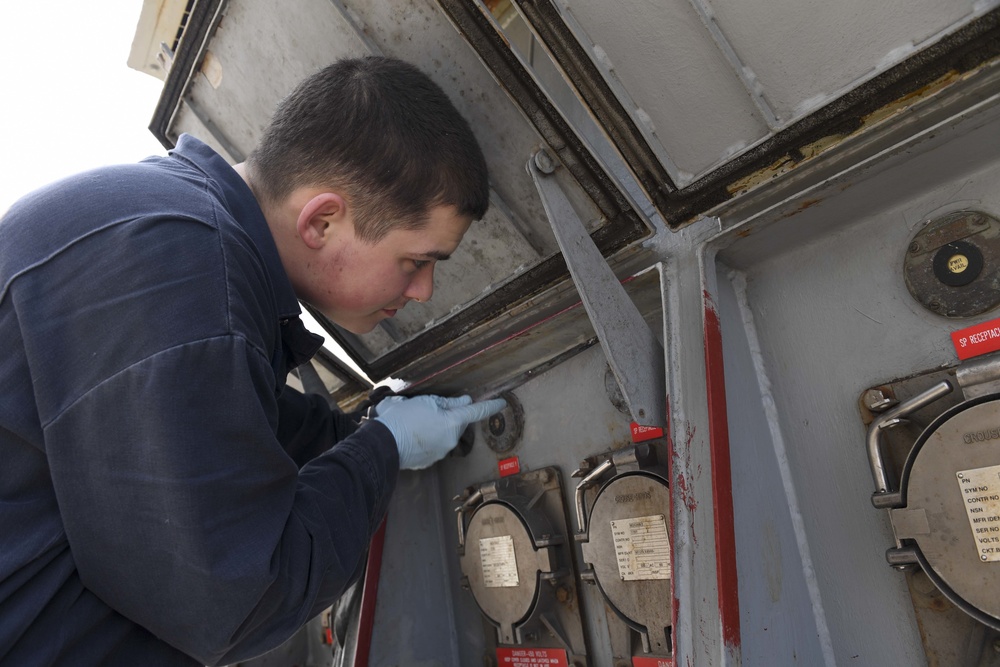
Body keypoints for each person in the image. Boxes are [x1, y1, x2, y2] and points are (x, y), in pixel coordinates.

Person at [0, 56, 505, 666]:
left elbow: (233, 419)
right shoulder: (184, 270)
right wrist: (381, 450)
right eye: (416, 261)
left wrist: (359, 431)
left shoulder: (171, 229)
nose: (423, 290)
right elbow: (237, 598)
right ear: (322, 220)